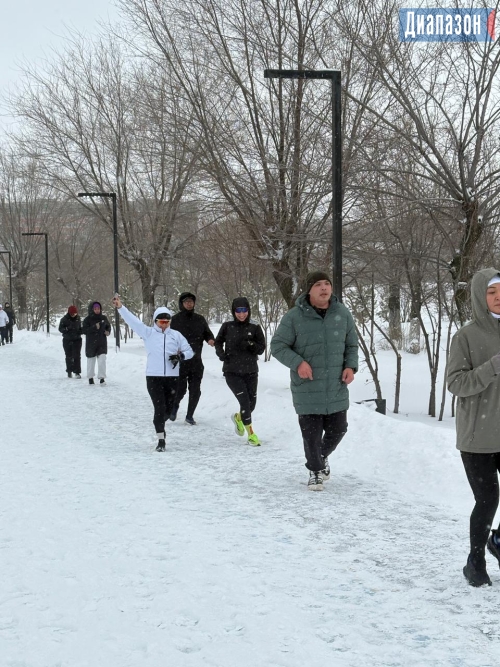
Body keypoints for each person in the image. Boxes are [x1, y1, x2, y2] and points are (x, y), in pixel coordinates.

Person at [270, 271, 358, 491]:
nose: (324, 288)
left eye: (327, 283)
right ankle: (316, 470)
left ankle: (320, 457)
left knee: (339, 429)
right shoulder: (294, 317)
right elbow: (278, 346)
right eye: (318, 284)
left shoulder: (342, 313)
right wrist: (298, 363)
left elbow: (351, 344)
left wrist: (350, 366)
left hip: (336, 386)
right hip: (307, 386)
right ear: (309, 289)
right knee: (311, 435)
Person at [447, 267, 500, 588]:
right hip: (478, 436)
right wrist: (492, 366)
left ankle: (499, 541)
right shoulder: (465, 336)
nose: (498, 298)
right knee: (488, 500)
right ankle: (475, 561)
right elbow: (456, 383)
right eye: (492, 292)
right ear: (481, 297)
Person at [112, 294, 194, 452]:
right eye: (161, 322)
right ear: (155, 321)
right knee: (159, 408)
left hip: (172, 378)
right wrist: (120, 307)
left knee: (168, 410)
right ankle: (161, 439)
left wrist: (180, 356)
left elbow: (189, 351)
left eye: (167, 322)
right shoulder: (148, 333)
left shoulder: (176, 335)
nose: (164, 325)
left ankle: (160, 422)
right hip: (153, 378)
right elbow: (133, 321)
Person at [215, 297, 266, 446]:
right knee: (244, 401)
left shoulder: (255, 326)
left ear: (248, 311)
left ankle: (238, 418)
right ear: (234, 311)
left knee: (251, 404)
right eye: (238, 311)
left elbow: (261, 348)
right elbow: (218, 342)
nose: (242, 314)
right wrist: (221, 354)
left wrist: (250, 344)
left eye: (244, 310)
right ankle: (251, 435)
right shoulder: (227, 326)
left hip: (251, 371)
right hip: (232, 371)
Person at [169, 292, 215, 425]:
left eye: (191, 301)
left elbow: (207, 333)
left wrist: (210, 340)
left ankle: (189, 416)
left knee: (195, 390)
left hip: (196, 362)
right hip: (180, 362)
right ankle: (174, 408)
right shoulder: (175, 320)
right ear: (181, 304)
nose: (189, 304)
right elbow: (168, 338)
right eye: (186, 302)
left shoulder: (200, 319)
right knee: (180, 389)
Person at [82, 301, 111, 385]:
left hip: (101, 343)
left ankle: (102, 378)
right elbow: (84, 330)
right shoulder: (87, 319)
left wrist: (108, 331)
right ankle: (90, 377)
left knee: (102, 360)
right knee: (91, 361)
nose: (97, 310)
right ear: (92, 309)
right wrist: (94, 327)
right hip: (91, 343)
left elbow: (108, 326)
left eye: (98, 308)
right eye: (95, 309)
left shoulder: (103, 318)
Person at [58, 305, 83, 378]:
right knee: (69, 356)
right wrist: (66, 329)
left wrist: (81, 331)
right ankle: (69, 370)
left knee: (77, 356)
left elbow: (81, 328)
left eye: (75, 313)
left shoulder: (78, 319)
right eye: (72, 313)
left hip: (77, 340)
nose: (74, 315)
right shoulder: (64, 319)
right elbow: (60, 329)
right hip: (67, 340)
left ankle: (77, 372)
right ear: (69, 313)